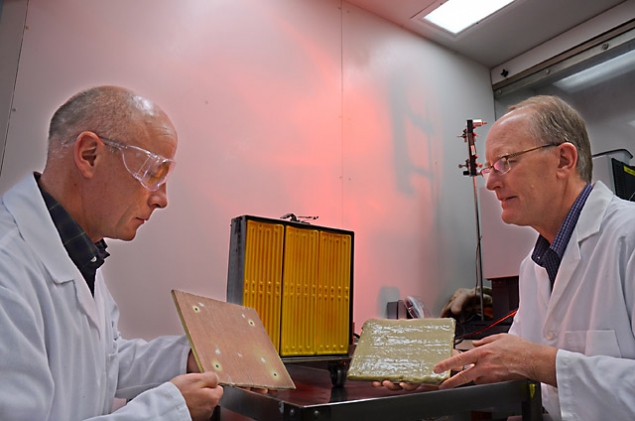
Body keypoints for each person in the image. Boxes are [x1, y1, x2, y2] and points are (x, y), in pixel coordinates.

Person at [379, 95, 635, 420]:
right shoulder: (533, 267)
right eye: (489, 168)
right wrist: (437, 365)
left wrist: (539, 363)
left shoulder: (628, 236)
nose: (490, 183)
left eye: (505, 162)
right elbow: (509, 361)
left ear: (563, 160)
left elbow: (528, 360)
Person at [0, 86, 223, 420]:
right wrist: (169, 411)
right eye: (152, 173)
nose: (161, 199)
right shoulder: (8, 269)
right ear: (90, 155)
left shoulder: (77, 251)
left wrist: (187, 359)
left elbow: (102, 361)